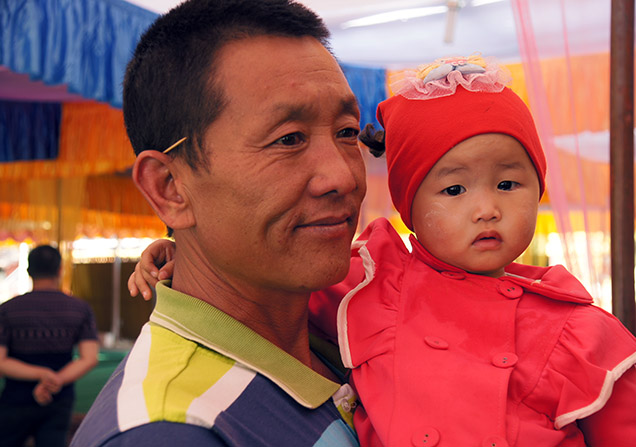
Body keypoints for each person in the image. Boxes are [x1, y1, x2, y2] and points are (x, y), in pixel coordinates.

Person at [132, 55, 636, 446]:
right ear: (409, 204)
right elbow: (261, 278)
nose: (486, 209)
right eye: (453, 191)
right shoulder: (371, 281)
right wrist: (179, 252)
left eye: (509, 184)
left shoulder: (581, 331)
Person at [71, 0, 365, 445]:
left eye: (347, 131)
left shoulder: (344, 330)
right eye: (288, 139)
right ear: (169, 186)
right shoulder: (171, 430)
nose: (342, 176)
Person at [0, 244, 99, 447]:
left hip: (15, 398)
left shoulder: (8, 310)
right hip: (59, 396)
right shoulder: (79, 309)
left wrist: (40, 374)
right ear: (60, 270)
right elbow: (89, 358)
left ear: (28, 271)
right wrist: (54, 378)